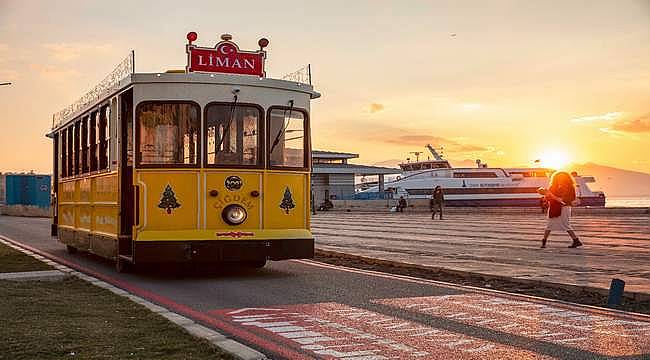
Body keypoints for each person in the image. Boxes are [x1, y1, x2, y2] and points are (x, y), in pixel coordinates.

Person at [539, 171, 583, 248]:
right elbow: (549, 197)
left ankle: (576, 240)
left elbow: (570, 198)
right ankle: (544, 242)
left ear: (566, 178)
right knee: (549, 225)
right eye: (559, 177)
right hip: (554, 207)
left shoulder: (570, 187)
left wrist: (553, 196)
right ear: (556, 178)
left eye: (563, 177)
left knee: (565, 225)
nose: (561, 179)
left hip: (564, 207)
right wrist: (545, 194)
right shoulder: (553, 186)